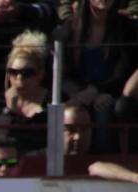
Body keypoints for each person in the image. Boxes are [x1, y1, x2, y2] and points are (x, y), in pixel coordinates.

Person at [53, 0, 136, 152]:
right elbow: (62, 74)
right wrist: (80, 93)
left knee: (103, 111)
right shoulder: (68, 30)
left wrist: (97, 91)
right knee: (71, 114)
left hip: (110, 90)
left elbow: (122, 72)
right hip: (78, 92)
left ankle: (105, 160)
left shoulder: (126, 28)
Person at [0, 29, 51, 153]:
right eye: (13, 72)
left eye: (27, 73)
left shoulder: (53, 101)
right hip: (6, 164)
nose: (19, 79)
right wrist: (10, 110)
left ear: (40, 73)